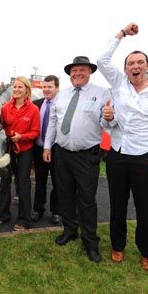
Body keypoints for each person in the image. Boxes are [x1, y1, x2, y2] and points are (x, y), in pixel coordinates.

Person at [97, 22, 148, 271]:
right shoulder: (119, 82)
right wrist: (122, 33)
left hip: (145, 156)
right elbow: (101, 59)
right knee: (117, 204)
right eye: (130, 63)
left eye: (139, 63)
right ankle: (117, 246)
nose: (135, 66)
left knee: (145, 207)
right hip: (118, 154)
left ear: (147, 66)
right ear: (125, 69)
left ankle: (147, 252)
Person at [43, 56, 110, 263]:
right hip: (62, 153)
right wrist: (47, 146)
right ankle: (70, 230)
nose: (77, 73)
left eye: (82, 70)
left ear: (90, 72)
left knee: (87, 200)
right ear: (69, 74)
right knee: (64, 195)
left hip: (86, 155)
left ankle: (90, 242)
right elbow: (53, 123)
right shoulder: (61, 95)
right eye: (74, 71)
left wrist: (109, 117)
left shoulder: (102, 94)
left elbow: (106, 124)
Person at [0, 76, 40, 231]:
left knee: (23, 181)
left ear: (27, 89)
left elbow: (36, 132)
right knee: (4, 180)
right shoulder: (5, 107)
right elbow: (2, 127)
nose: (17, 90)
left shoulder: (33, 109)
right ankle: (3, 213)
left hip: (25, 150)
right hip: (8, 149)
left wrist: (22, 137)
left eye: (20, 87)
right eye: (15, 87)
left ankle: (24, 218)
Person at [31, 75, 61, 224]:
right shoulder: (36, 104)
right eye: (44, 87)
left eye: (49, 87)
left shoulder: (63, 104)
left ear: (57, 88)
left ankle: (56, 211)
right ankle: (38, 209)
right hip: (39, 149)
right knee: (40, 181)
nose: (46, 90)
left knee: (58, 181)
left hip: (57, 150)